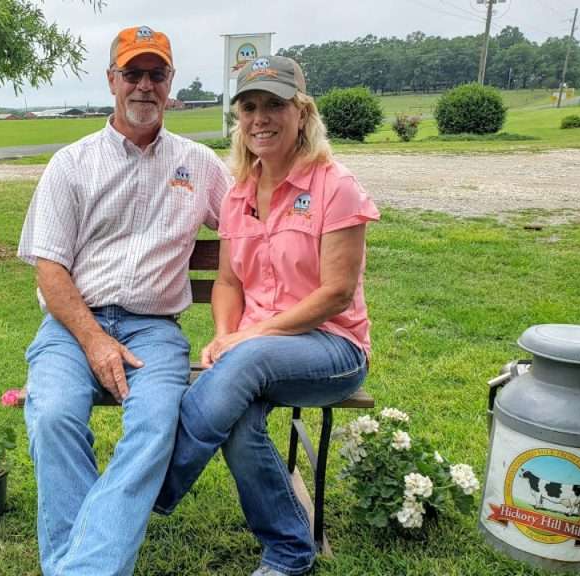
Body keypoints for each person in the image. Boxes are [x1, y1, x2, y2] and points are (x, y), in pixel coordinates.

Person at [17, 25, 231, 576]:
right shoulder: (72, 162)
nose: (143, 85)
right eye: (131, 73)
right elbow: (49, 266)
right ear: (112, 80)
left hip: (154, 329)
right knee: (54, 416)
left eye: (155, 74)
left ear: (170, 83)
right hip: (72, 327)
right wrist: (93, 340)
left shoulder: (200, 164)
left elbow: (252, 228)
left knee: (156, 424)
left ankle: (77, 567)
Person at [154, 55, 380, 576]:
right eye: (250, 106)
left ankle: (147, 490)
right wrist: (223, 335)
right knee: (237, 424)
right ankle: (289, 551)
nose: (261, 118)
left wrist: (247, 339)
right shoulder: (237, 195)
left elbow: (337, 293)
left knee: (247, 362)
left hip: (332, 350)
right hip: (254, 351)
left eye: (275, 105)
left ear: (302, 112)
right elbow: (230, 282)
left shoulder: (334, 185)